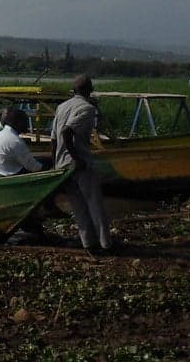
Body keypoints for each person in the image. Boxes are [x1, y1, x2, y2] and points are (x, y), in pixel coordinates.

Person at [51, 74, 114, 255]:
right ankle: (105, 244)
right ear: (90, 90)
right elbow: (66, 131)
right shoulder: (87, 109)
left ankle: (88, 243)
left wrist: (56, 162)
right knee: (94, 203)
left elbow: (54, 138)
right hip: (80, 164)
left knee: (77, 206)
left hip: (62, 165)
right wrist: (76, 157)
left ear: (74, 90)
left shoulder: (61, 107)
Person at [0, 108, 43, 178]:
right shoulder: (15, 140)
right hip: (6, 176)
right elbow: (34, 167)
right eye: (25, 121)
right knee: (45, 162)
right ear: (17, 122)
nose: (27, 124)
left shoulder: (1, 134)